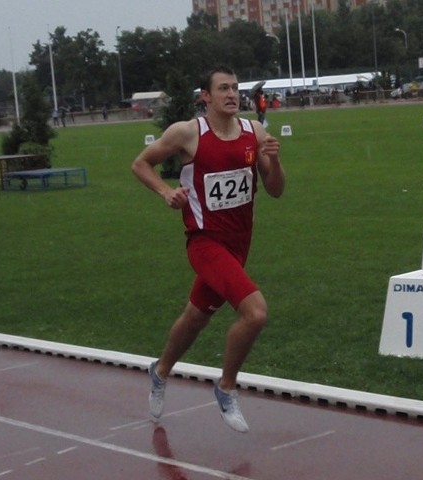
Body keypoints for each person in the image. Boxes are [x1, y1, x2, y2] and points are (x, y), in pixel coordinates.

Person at [131, 65, 286, 433]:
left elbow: (277, 190)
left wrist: (275, 160)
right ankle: (227, 387)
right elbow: (141, 164)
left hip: (238, 245)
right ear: (206, 96)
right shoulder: (188, 133)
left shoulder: (254, 132)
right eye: (223, 89)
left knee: (197, 317)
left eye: (235, 88)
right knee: (256, 313)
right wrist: (167, 192)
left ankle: (160, 370)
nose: (232, 94)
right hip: (204, 242)